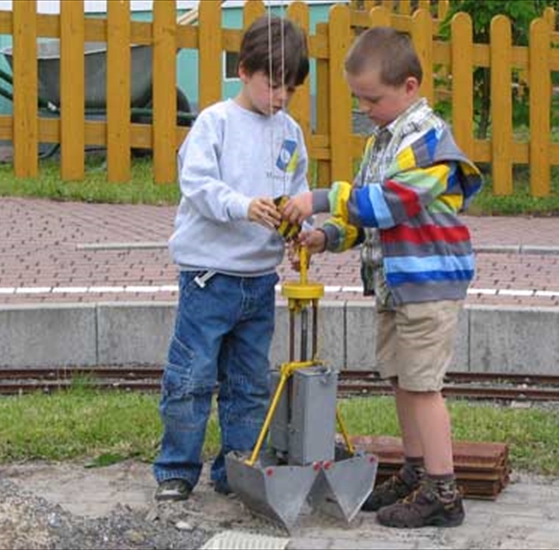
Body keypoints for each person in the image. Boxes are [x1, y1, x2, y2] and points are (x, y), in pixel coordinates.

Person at [281, 27, 483, 528]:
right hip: (396, 284)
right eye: (359, 98)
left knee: (422, 386)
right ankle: (415, 472)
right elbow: (364, 215)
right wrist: (326, 236)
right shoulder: (381, 142)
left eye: (372, 98)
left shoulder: (428, 142)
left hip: (427, 284)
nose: (364, 108)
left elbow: (392, 203)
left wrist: (321, 197)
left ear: (409, 86)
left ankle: (443, 492)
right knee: (401, 378)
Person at [153, 15, 310, 502]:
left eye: (291, 88)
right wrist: (244, 206)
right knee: (192, 376)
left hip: (260, 280)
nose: (280, 97)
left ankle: (237, 469)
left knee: (249, 383)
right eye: (273, 84)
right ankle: (177, 468)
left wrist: (296, 220)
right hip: (208, 276)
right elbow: (197, 185)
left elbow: (298, 189)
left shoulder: (290, 133)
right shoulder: (214, 122)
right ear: (244, 71)